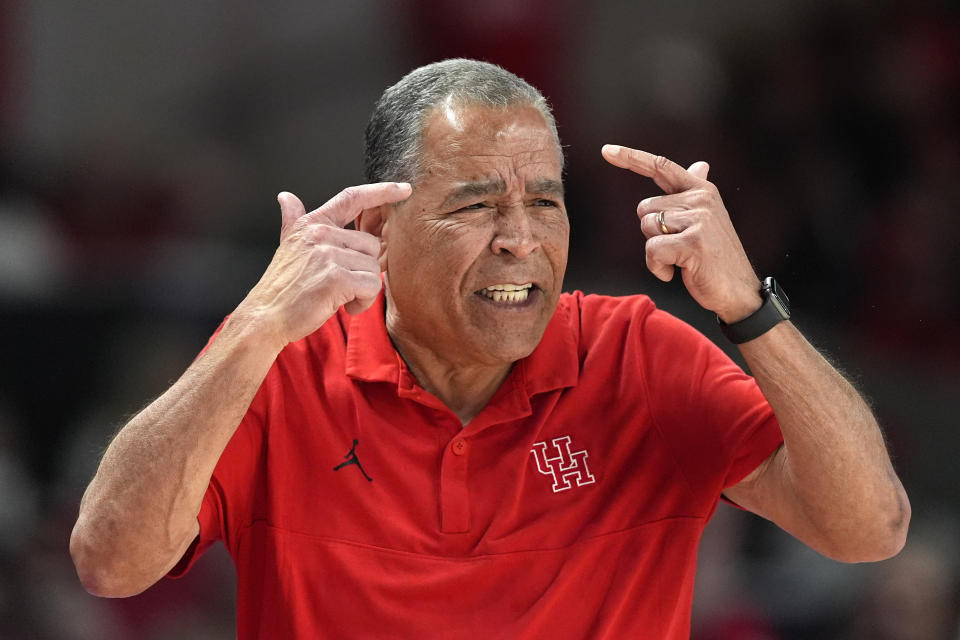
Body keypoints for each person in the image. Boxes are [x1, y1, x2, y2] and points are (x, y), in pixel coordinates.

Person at [70, 59, 910, 639]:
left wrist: (747, 308)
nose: (520, 241)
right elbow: (110, 562)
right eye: (476, 205)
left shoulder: (641, 358)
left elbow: (870, 529)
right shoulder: (282, 363)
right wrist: (254, 325)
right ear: (376, 227)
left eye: (544, 203)